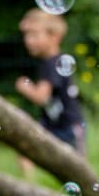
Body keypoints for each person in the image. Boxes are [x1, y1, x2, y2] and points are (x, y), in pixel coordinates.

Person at [14, 9, 85, 175]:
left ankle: (31, 186)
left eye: (34, 35)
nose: (28, 41)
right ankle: (31, 187)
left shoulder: (52, 64)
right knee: (25, 147)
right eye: (27, 35)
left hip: (68, 126)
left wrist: (26, 87)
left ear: (54, 37)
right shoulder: (51, 62)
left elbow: (41, 97)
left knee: (78, 170)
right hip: (53, 123)